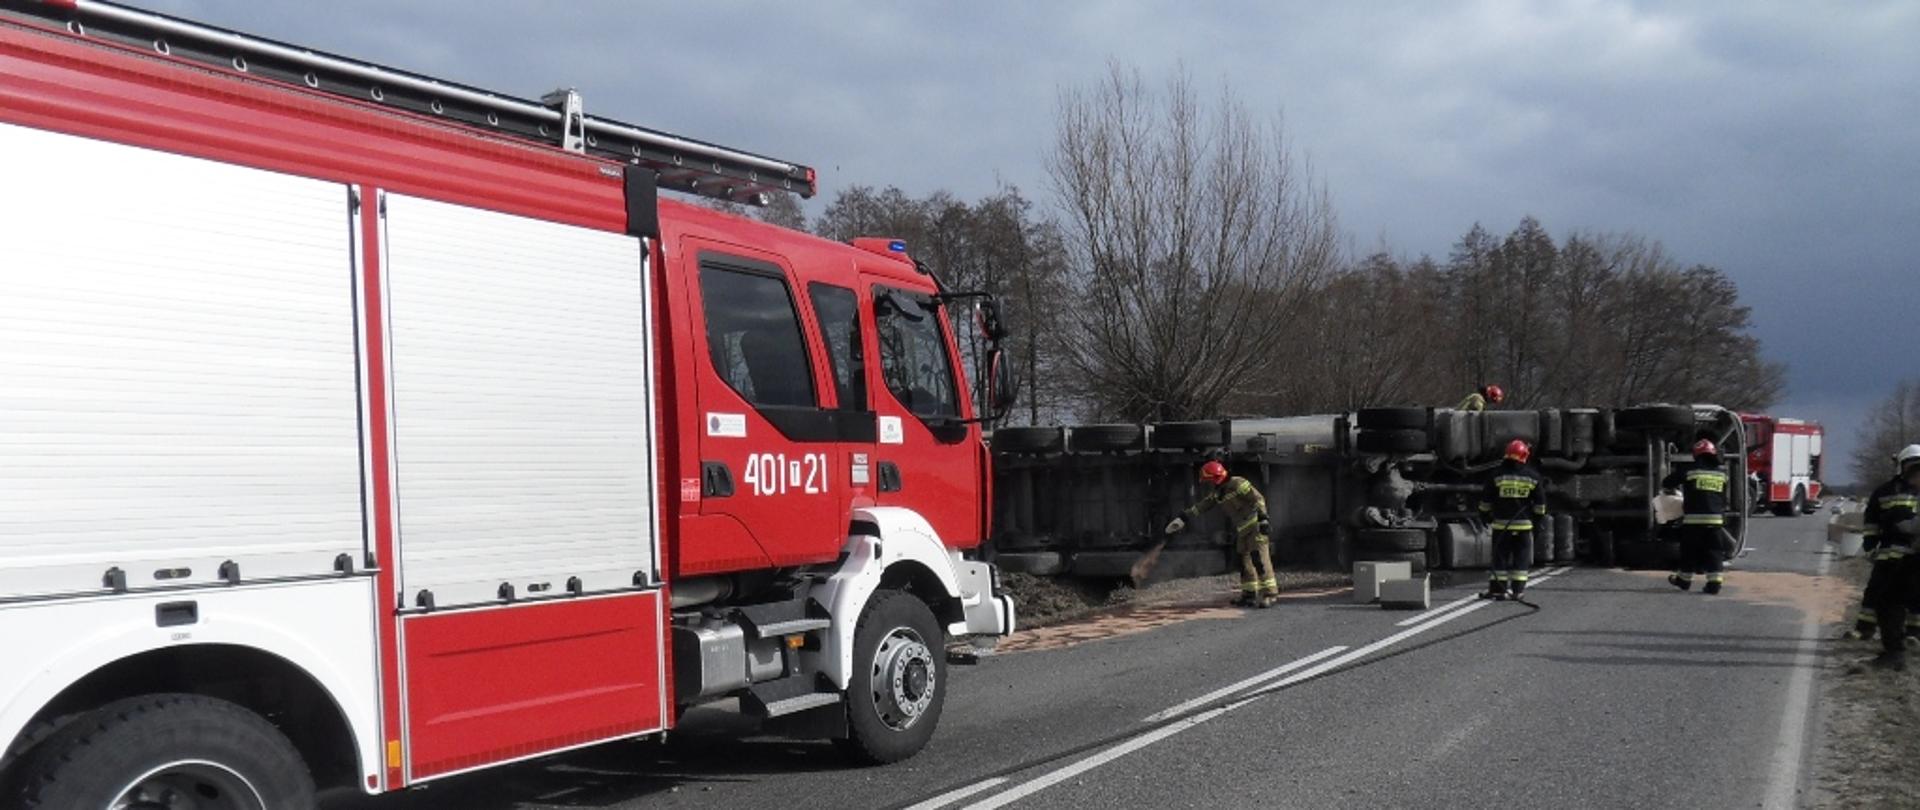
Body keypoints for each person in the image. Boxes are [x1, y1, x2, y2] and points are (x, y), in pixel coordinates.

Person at [1166, 461, 1277, 607]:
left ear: (1215, 477)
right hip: (1242, 529)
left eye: (1209, 480)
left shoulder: (1237, 483)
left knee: (1259, 559)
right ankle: (1249, 594)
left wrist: (1263, 519)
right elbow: (1204, 505)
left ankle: (1270, 594)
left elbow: (1257, 498)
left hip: (1255, 526)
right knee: (1244, 563)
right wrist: (1183, 517)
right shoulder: (1219, 493)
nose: (1208, 484)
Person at [1844, 444, 1920, 642]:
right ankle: (1864, 629)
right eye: (1911, 464)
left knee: (1915, 596)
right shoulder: (1884, 491)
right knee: (1874, 592)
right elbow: (1872, 518)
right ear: (1901, 466)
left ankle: (1913, 633)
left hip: (1914, 554)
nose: (1914, 469)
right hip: (1887, 552)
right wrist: (1870, 543)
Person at [1478, 439, 1545, 600]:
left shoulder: (1496, 475)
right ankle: (1518, 592)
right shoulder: (1533, 477)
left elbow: (1485, 501)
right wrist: (1537, 522)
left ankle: (1498, 591)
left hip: (1502, 526)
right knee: (1521, 560)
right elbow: (1540, 505)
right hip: (1524, 527)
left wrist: (1485, 517)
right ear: (1524, 456)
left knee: (1500, 558)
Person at [1664, 439, 1732, 595]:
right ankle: (1714, 583)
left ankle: (1684, 580)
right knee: (1714, 552)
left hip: (1694, 521)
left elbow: (1667, 482)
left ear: (1696, 455)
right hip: (1715, 521)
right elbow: (1723, 497)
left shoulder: (1690, 471)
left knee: (1689, 551)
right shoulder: (1721, 474)